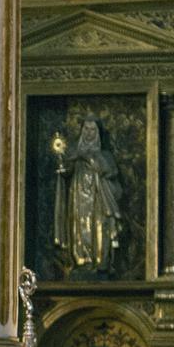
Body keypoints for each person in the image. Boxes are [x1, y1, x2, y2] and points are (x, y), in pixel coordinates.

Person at [53, 117, 122, 276]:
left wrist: (87, 157)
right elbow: (66, 171)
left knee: (99, 228)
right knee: (79, 229)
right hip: (78, 200)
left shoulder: (105, 155)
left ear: (97, 133)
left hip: (98, 199)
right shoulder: (73, 154)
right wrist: (63, 169)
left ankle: (100, 263)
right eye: (86, 129)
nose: (89, 133)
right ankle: (81, 261)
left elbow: (108, 171)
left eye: (93, 130)